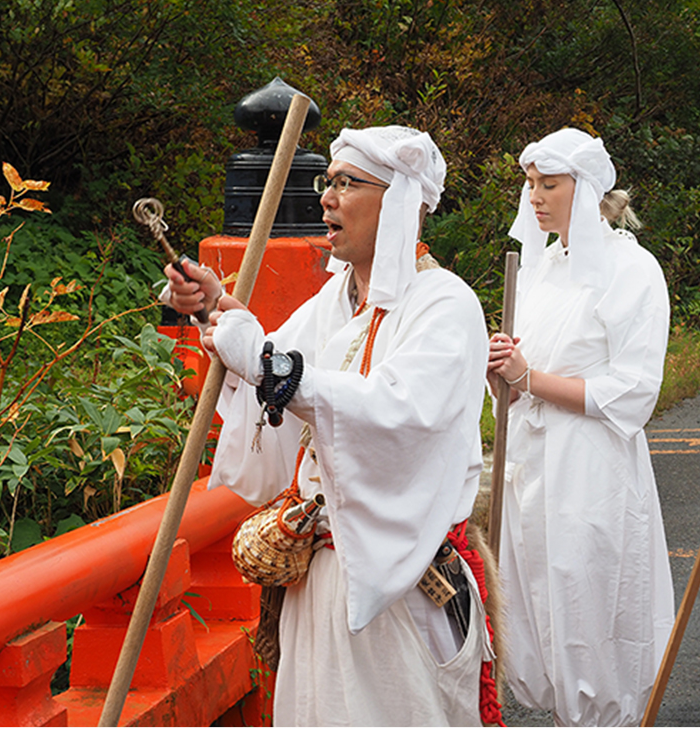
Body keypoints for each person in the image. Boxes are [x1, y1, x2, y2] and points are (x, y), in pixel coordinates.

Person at [160, 126, 501, 726]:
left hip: (400, 586)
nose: (326, 197)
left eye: (346, 182)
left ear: (399, 201)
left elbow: (394, 413)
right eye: (328, 181)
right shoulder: (333, 303)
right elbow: (269, 385)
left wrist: (264, 362)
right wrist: (222, 315)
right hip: (318, 576)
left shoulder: (445, 305)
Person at [487, 127, 675, 726]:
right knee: (538, 600)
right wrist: (502, 376)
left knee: (588, 598)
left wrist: (529, 377)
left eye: (551, 184)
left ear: (587, 188)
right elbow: (517, 378)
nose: (536, 196)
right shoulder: (543, 269)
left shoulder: (631, 268)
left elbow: (634, 390)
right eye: (531, 184)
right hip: (532, 463)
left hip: (590, 465)